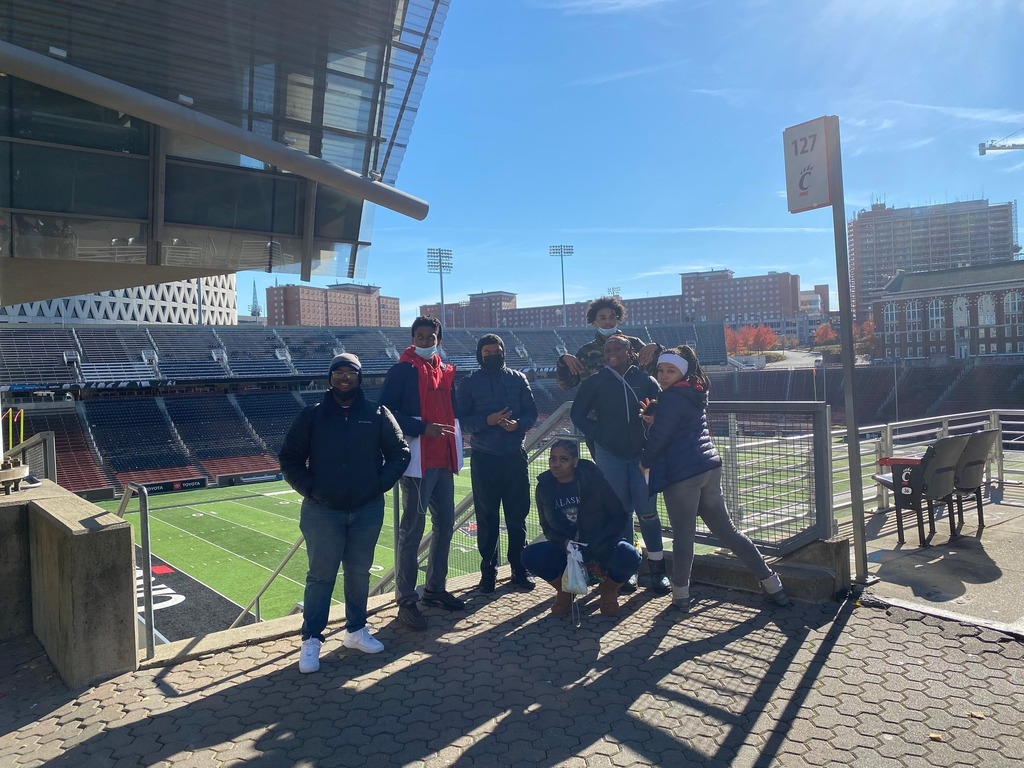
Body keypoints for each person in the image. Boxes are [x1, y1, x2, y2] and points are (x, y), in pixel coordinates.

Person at [279, 353, 410, 674]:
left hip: (366, 509)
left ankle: (355, 630)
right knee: (320, 577)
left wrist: (378, 485)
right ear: (330, 378)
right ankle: (311, 639)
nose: (344, 378)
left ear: (359, 377)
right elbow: (289, 458)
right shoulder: (313, 415)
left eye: (350, 372)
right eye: (338, 372)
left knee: (358, 573)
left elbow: (399, 452)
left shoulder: (378, 413)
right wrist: (310, 489)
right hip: (322, 511)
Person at [639, 345, 791, 614]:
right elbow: (681, 428)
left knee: (683, 536)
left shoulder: (671, 398)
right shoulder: (694, 392)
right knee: (728, 532)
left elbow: (661, 438)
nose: (663, 375)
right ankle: (772, 584)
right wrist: (656, 418)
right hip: (708, 467)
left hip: (683, 473)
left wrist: (644, 461)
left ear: (681, 371)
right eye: (661, 370)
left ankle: (681, 595)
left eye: (670, 370)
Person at [379, 316, 465, 631]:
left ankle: (434, 589)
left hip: (444, 459)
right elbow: (385, 411)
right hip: (418, 461)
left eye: (431, 336)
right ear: (413, 338)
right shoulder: (402, 370)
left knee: (445, 525)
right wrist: (421, 428)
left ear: (439, 338)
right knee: (412, 531)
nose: (426, 340)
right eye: (420, 336)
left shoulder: (445, 370)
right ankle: (406, 600)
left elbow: (456, 410)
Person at [569, 334, 670, 594]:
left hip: (641, 454)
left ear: (630, 352)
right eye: (607, 349)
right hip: (609, 454)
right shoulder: (595, 382)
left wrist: (652, 417)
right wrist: (599, 433)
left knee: (647, 510)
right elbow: (577, 414)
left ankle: (658, 570)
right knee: (621, 512)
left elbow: (662, 407)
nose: (610, 352)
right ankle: (628, 569)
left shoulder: (644, 380)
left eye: (617, 348)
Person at [522, 440, 641, 617]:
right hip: (567, 547)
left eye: (563, 459)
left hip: (599, 544)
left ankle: (608, 590)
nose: (556, 464)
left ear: (575, 462)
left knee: (630, 555)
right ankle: (565, 591)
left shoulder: (593, 481)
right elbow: (546, 526)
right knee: (529, 555)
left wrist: (601, 542)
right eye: (552, 459)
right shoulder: (544, 487)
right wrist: (565, 543)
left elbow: (620, 516)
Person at [458, 333, 539, 593]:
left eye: (497, 351)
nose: (492, 355)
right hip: (485, 457)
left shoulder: (519, 379)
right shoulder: (470, 382)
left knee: (517, 517)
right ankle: (488, 572)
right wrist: (487, 421)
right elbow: (461, 420)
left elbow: (532, 413)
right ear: (480, 356)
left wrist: (518, 425)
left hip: (514, 455)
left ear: (504, 352)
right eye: (487, 352)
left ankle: (519, 568)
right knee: (487, 518)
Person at [556, 295, 661, 390]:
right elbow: (566, 384)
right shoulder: (585, 352)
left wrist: (656, 348)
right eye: (602, 318)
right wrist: (563, 361)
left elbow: (658, 372)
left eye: (612, 317)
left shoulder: (634, 344)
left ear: (618, 319)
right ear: (594, 322)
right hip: (598, 410)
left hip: (633, 408)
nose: (608, 322)